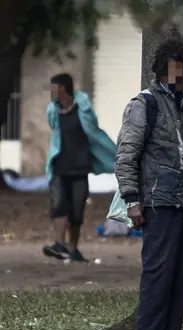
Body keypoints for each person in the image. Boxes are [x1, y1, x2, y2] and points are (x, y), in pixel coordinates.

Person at [115, 39, 183, 330]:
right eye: (172, 69)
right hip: (157, 201)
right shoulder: (144, 103)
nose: (177, 75)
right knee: (157, 270)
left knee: (180, 273)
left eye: (182, 70)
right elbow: (126, 155)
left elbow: (180, 152)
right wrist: (132, 200)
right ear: (160, 70)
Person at [42, 73, 117, 262]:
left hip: (80, 168)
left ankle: (73, 249)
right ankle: (59, 244)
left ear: (62, 89)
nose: (50, 92)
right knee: (59, 205)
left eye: (53, 87)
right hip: (59, 168)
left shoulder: (83, 111)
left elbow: (93, 128)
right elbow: (54, 131)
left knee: (76, 211)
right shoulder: (53, 111)